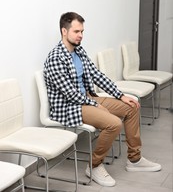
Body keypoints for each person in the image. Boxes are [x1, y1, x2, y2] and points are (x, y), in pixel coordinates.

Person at [44, 12, 161, 187]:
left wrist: (120, 95)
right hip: (70, 106)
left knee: (132, 106)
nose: (81, 35)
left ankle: (134, 160)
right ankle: (94, 165)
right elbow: (70, 94)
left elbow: (97, 75)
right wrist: (96, 105)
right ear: (64, 31)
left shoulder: (79, 51)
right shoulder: (55, 58)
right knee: (114, 123)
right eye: (76, 31)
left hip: (87, 99)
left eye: (82, 31)